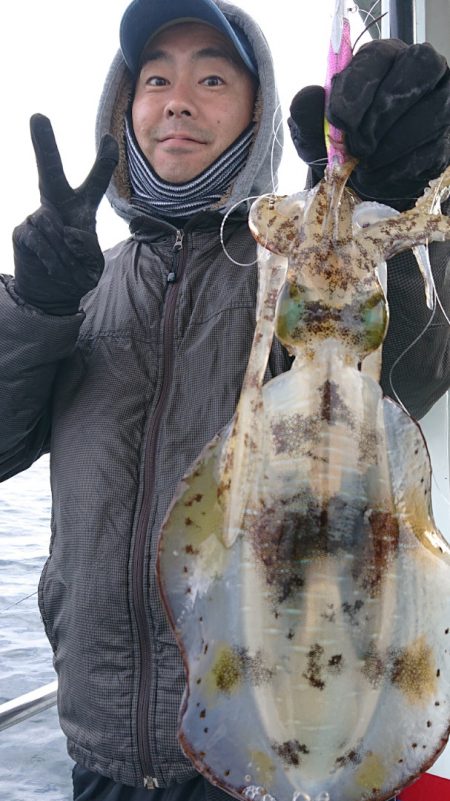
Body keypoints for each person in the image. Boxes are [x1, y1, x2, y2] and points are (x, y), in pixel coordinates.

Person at [0, 0, 449, 799]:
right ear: (124, 107)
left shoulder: (288, 262)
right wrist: (35, 308)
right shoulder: (79, 286)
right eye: (155, 78)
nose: (177, 99)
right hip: (99, 742)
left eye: (212, 77)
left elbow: (409, 367)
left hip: (271, 733)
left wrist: (384, 202)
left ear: (255, 112)